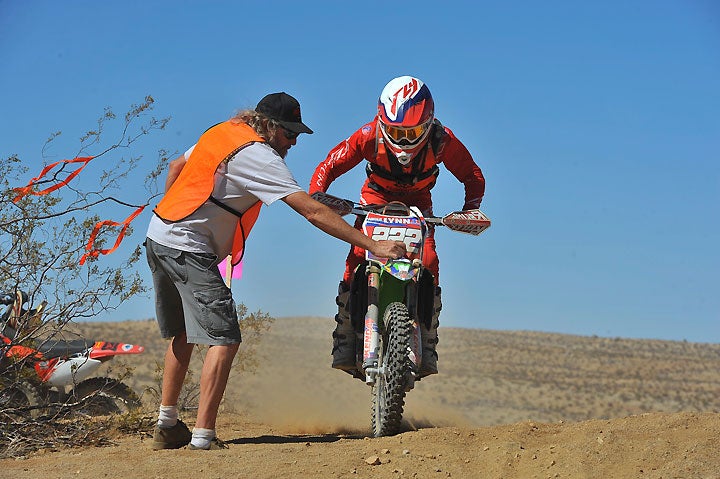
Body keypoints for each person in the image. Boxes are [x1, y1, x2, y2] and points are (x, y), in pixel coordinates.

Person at [145, 92, 406, 451]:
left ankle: (167, 424)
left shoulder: (223, 131)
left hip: (159, 234)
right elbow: (311, 211)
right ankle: (202, 438)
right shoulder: (258, 156)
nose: (294, 142)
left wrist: (174, 213)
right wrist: (373, 245)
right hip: (189, 247)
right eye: (289, 133)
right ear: (268, 126)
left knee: (184, 333)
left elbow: (176, 167)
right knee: (225, 338)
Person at [309, 76, 485, 378]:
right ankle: (345, 330)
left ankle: (427, 338)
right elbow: (329, 165)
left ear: (428, 124)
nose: (404, 141)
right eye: (395, 132)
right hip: (375, 199)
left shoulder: (443, 141)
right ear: (381, 122)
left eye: (413, 132)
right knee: (356, 255)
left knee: (428, 261)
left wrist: (471, 211)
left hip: (419, 204)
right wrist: (318, 194)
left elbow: (472, 175)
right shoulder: (367, 135)